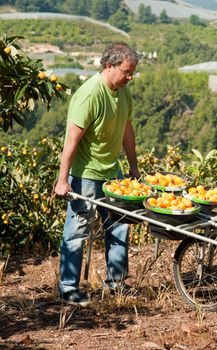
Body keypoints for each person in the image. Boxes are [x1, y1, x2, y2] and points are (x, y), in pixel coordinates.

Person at [54, 43, 140, 306]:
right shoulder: (90, 94)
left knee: (118, 225)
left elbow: (127, 131)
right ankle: (68, 287)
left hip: (112, 172)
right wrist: (63, 179)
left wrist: (133, 167)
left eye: (132, 72)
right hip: (86, 175)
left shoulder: (123, 93)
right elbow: (72, 139)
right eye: (126, 72)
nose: (130, 77)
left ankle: (115, 285)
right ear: (109, 66)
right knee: (78, 230)